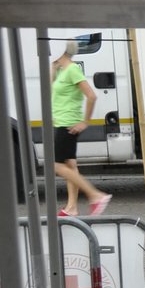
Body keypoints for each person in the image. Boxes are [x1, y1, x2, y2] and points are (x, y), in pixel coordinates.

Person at [49, 41, 111, 217]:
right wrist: (53, 67)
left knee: (56, 166)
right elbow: (48, 90)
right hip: (61, 121)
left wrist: (86, 121)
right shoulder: (61, 70)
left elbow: (91, 95)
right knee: (70, 165)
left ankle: (95, 195)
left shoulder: (73, 70)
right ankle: (72, 207)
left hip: (68, 123)